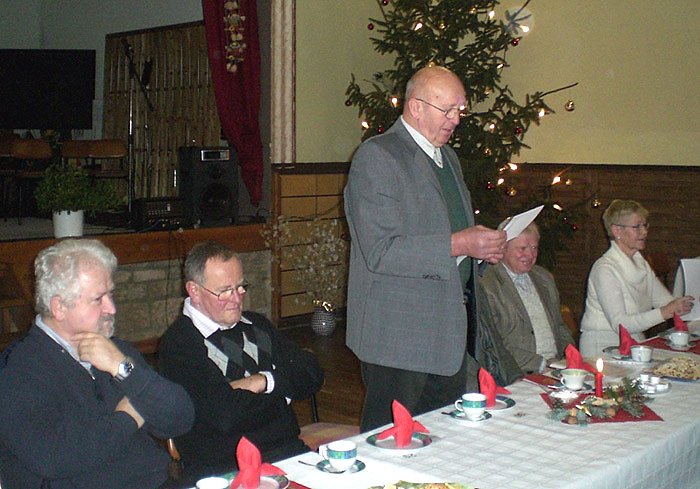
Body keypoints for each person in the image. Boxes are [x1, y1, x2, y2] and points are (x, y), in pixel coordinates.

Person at [344, 65, 507, 432]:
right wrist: (461, 243)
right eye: (447, 110)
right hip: (399, 332)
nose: (456, 120)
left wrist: (480, 252)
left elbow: (450, 234)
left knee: (442, 438)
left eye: (460, 110)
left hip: (446, 328)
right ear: (416, 107)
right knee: (391, 439)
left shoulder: (447, 157)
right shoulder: (378, 156)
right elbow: (381, 251)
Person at [0, 239, 194, 489]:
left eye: (110, 293)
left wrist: (123, 369)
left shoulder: (115, 350)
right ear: (59, 307)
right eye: (98, 299)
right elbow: (53, 458)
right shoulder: (19, 370)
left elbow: (180, 419)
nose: (111, 308)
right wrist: (128, 417)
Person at [158, 241, 324, 480]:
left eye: (240, 287)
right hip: (225, 470)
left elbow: (313, 372)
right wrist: (285, 395)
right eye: (225, 291)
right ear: (194, 290)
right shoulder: (180, 344)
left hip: (288, 454)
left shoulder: (257, 325)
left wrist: (263, 381)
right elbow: (224, 415)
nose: (236, 299)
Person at [579, 200, 694, 357]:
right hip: (603, 346)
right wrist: (666, 312)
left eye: (645, 225)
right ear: (616, 230)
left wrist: (686, 305)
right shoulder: (605, 269)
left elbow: (666, 302)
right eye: (637, 227)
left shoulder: (641, 263)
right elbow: (621, 324)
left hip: (635, 341)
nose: (644, 232)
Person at [479, 223, 574, 377]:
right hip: (515, 373)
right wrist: (541, 364)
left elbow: (559, 326)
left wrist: (569, 356)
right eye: (522, 248)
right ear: (503, 248)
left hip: (555, 367)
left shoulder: (544, 278)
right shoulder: (487, 284)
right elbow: (494, 344)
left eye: (534, 248)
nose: (530, 255)